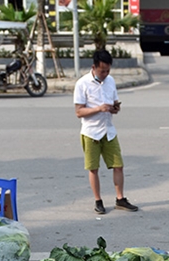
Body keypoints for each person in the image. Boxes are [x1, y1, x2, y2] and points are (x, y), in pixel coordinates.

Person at [73, 49, 138, 215]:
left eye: (108, 70)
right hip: (91, 132)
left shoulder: (111, 81)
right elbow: (79, 112)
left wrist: (115, 108)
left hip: (108, 131)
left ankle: (120, 199)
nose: (105, 74)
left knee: (118, 165)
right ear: (93, 67)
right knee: (93, 168)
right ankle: (98, 200)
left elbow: (115, 102)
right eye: (102, 71)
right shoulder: (82, 83)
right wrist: (98, 109)